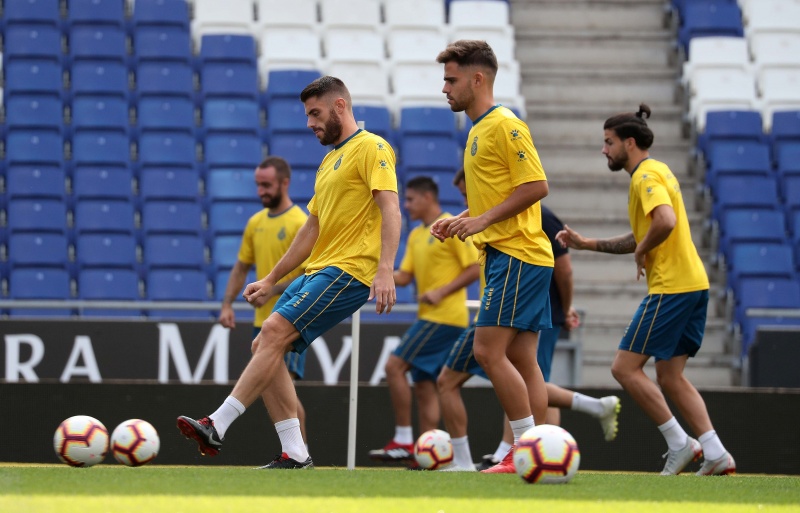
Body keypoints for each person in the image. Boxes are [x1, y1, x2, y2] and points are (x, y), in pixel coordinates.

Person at [177, 76, 401, 469]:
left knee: (274, 331)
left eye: (315, 113)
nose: (310, 123)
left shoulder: (373, 147)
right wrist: (270, 279)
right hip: (319, 269)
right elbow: (311, 229)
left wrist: (385, 269)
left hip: (349, 270)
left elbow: (390, 208)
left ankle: (217, 423)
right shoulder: (330, 161)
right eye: (308, 115)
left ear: (340, 106)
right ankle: (295, 452)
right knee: (263, 344)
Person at [555, 104, 735, 476]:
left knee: (624, 368)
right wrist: (587, 243)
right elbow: (644, 233)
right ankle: (716, 452)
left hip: (672, 288)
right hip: (694, 284)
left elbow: (664, 222)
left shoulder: (645, 176)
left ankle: (680, 443)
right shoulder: (658, 170)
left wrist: (642, 250)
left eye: (609, 142)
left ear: (629, 143)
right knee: (669, 375)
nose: (604, 150)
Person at [437, 171, 621, 472]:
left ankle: (516, 449)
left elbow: (564, 268)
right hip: (521, 295)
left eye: (468, 192)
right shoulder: (503, 213)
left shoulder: (536, 215)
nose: (468, 200)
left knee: (481, 364)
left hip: (522, 294)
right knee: (524, 369)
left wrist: (566, 307)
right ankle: (535, 446)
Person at [431, 40, 553, 474]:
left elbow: (536, 186)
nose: (445, 88)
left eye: (451, 80)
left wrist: (482, 221)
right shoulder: (477, 130)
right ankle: (537, 451)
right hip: (514, 256)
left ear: (477, 79)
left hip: (516, 254)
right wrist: (462, 218)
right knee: (523, 361)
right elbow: (499, 195)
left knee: (486, 351)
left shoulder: (505, 125)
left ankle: (522, 449)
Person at [368, 177, 479, 466]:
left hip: (445, 318)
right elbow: (405, 276)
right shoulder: (417, 235)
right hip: (430, 316)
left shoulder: (450, 225)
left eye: (411, 199)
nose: (406, 206)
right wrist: (375, 275)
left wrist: (442, 291)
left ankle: (404, 440)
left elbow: (474, 268)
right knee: (425, 386)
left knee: (394, 366)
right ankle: (428, 451)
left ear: (428, 197)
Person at [217, 156, 310, 450]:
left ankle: (300, 455)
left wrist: (273, 290)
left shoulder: (301, 223)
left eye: (267, 185)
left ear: (285, 183)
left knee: (285, 394)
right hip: (262, 324)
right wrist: (227, 304)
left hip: (291, 320)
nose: (261, 191)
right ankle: (298, 455)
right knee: (279, 392)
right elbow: (241, 267)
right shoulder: (255, 223)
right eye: (258, 185)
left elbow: (312, 274)